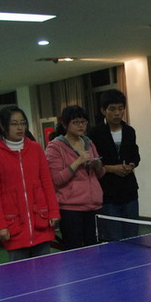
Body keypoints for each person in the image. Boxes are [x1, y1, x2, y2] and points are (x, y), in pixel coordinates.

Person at [0, 106, 60, 261]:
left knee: (46, 270)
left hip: (41, 221)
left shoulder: (36, 149)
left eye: (22, 123)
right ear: (2, 126)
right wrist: (0, 225)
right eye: (14, 124)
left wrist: (54, 211)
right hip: (14, 227)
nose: (20, 128)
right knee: (20, 273)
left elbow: (47, 183)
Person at [46, 106, 105, 249]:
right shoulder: (55, 147)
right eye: (76, 122)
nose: (81, 125)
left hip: (94, 205)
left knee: (95, 249)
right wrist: (78, 161)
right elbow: (57, 179)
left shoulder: (89, 143)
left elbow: (101, 174)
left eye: (83, 122)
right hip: (71, 209)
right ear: (65, 124)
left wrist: (98, 166)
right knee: (74, 251)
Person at [87, 89, 140, 238]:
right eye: (112, 109)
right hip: (108, 192)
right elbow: (92, 162)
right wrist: (111, 169)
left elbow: (135, 155)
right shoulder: (95, 133)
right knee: (114, 237)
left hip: (129, 191)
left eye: (120, 108)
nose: (117, 113)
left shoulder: (129, 131)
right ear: (103, 111)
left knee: (133, 235)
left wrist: (131, 165)